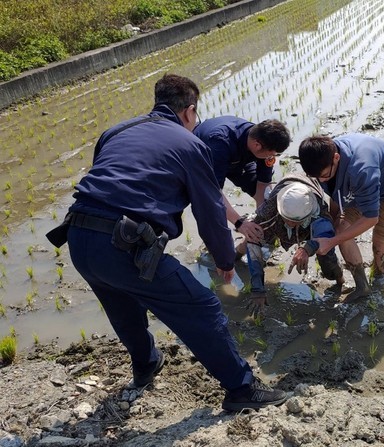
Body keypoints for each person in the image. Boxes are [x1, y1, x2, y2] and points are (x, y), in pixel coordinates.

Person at [46, 74, 287, 412]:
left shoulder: (115, 131)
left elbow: (111, 181)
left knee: (122, 306)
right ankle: (242, 388)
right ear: (189, 112)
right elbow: (209, 209)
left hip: (76, 236)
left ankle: (146, 365)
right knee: (202, 307)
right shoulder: (191, 144)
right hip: (122, 243)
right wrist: (225, 260)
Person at [298, 133, 384, 301]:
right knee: (340, 228)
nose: (320, 180)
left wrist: (331, 242)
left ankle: (380, 279)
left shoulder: (361, 169)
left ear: (336, 158)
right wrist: (332, 219)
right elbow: (335, 191)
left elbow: (371, 218)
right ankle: (362, 286)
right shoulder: (322, 160)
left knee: (379, 243)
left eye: (323, 176)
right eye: (315, 177)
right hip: (361, 186)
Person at [243, 174, 344, 316]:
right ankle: (234, 255)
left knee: (326, 256)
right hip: (278, 216)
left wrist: (307, 248)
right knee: (256, 238)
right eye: (287, 219)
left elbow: (326, 237)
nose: (290, 223)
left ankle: (340, 279)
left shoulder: (318, 212)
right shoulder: (270, 208)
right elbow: (253, 240)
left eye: (294, 221)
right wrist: (257, 289)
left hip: (309, 222)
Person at [193, 116, 291, 246]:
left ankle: (263, 238)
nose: (273, 158)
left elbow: (263, 184)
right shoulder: (219, 143)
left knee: (268, 197)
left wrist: (263, 219)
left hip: (237, 161)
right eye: (272, 154)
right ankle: (217, 249)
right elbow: (213, 192)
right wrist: (240, 223)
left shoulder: (264, 141)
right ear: (257, 145)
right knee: (210, 208)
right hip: (204, 159)